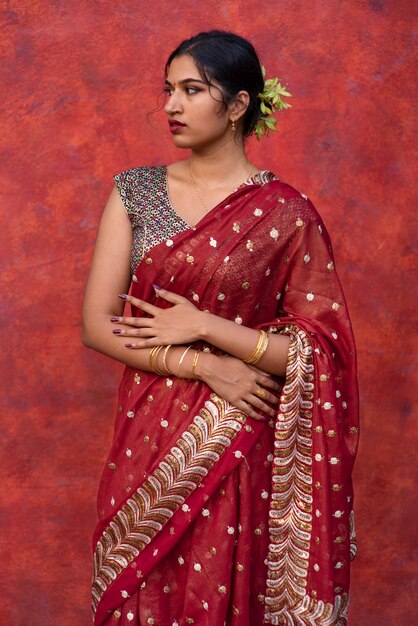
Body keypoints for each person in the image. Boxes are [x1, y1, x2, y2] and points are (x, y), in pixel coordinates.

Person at [82, 30, 359, 626]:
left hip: (241, 443)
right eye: (168, 91)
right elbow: (96, 325)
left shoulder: (287, 213)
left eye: (192, 90)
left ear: (237, 106)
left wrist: (206, 325)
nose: (172, 107)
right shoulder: (134, 191)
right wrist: (202, 362)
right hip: (149, 439)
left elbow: (320, 354)